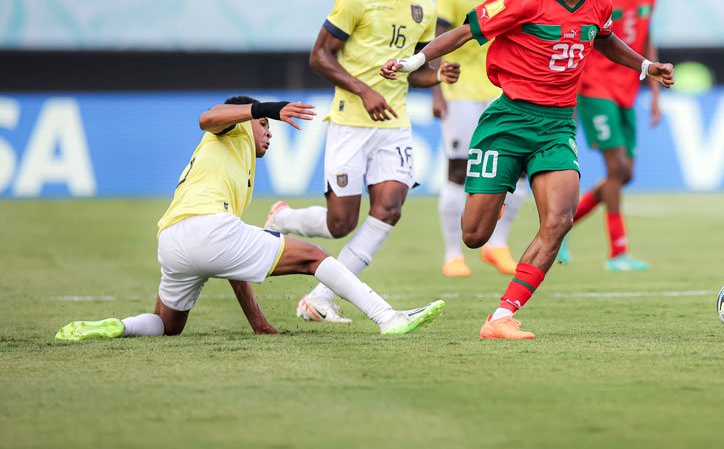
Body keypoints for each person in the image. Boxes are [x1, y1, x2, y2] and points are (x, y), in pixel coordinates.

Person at [382, 0, 675, 339]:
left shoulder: (599, 3)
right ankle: (495, 194)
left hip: (557, 125)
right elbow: (466, 31)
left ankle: (502, 315)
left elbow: (604, 40)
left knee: (559, 220)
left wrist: (646, 66)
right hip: (508, 121)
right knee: (474, 236)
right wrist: (416, 63)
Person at [55, 97, 444, 341]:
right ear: (246, 121)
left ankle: (117, 327)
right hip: (207, 230)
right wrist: (264, 110)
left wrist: (257, 321)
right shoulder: (229, 133)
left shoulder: (234, 170)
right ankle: (387, 317)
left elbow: (233, 261)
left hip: (173, 242)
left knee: (167, 325)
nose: (269, 134)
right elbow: (208, 116)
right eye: (264, 127)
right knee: (312, 256)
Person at [265, 0, 458, 324]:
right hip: (351, 121)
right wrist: (364, 89)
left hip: (395, 125)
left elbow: (416, 72)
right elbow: (319, 56)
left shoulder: (423, 6)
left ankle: (319, 298)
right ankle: (284, 218)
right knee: (340, 224)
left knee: (389, 208)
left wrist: (438, 74)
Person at [433, 0, 527, 278]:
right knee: (458, 169)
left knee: (515, 170)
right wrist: (437, 89)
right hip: (460, 92)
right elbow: (441, 38)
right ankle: (452, 254)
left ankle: (497, 245)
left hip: (503, 91)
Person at [567, 0, 660, 271]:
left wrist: (653, 91)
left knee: (626, 174)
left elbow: (648, 37)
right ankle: (618, 251)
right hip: (595, 87)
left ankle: (562, 226)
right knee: (616, 168)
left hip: (628, 89)